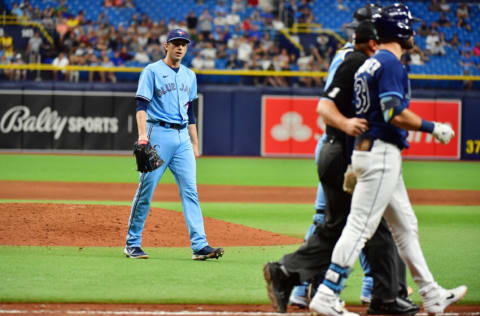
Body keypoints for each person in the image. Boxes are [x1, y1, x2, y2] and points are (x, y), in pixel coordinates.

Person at [307, 4, 467, 316]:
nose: (415, 32)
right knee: (360, 226)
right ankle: (327, 293)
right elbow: (393, 112)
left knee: (406, 225)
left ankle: (431, 293)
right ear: (402, 31)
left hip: (370, 151)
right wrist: (433, 127)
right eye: (410, 27)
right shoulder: (389, 63)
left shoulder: (368, 63)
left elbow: (363, 113)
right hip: (381, 153)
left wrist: (355, 159)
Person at [264, 16, 417, 316]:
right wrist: (347, 124)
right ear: (375, 41)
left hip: (340, 152)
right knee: (377, 225)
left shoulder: (362, 61)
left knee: (337, 227)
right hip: (342, 152)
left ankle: (286, 272)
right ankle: (385, 296)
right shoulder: (357, 62)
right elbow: (324, 106)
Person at [124, 29, 224, 261]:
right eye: (175, 43)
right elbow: (141, 106)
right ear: (165, 46)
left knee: (191, 191)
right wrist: (142, 136)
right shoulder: (151, 71)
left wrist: (195, 143)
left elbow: (191, 114)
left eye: (183, 44)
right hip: (157, 133)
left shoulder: (190, 75)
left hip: (182, 140)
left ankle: (199, 246)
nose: (180, 47)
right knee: (146, 190)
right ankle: (132, 243)